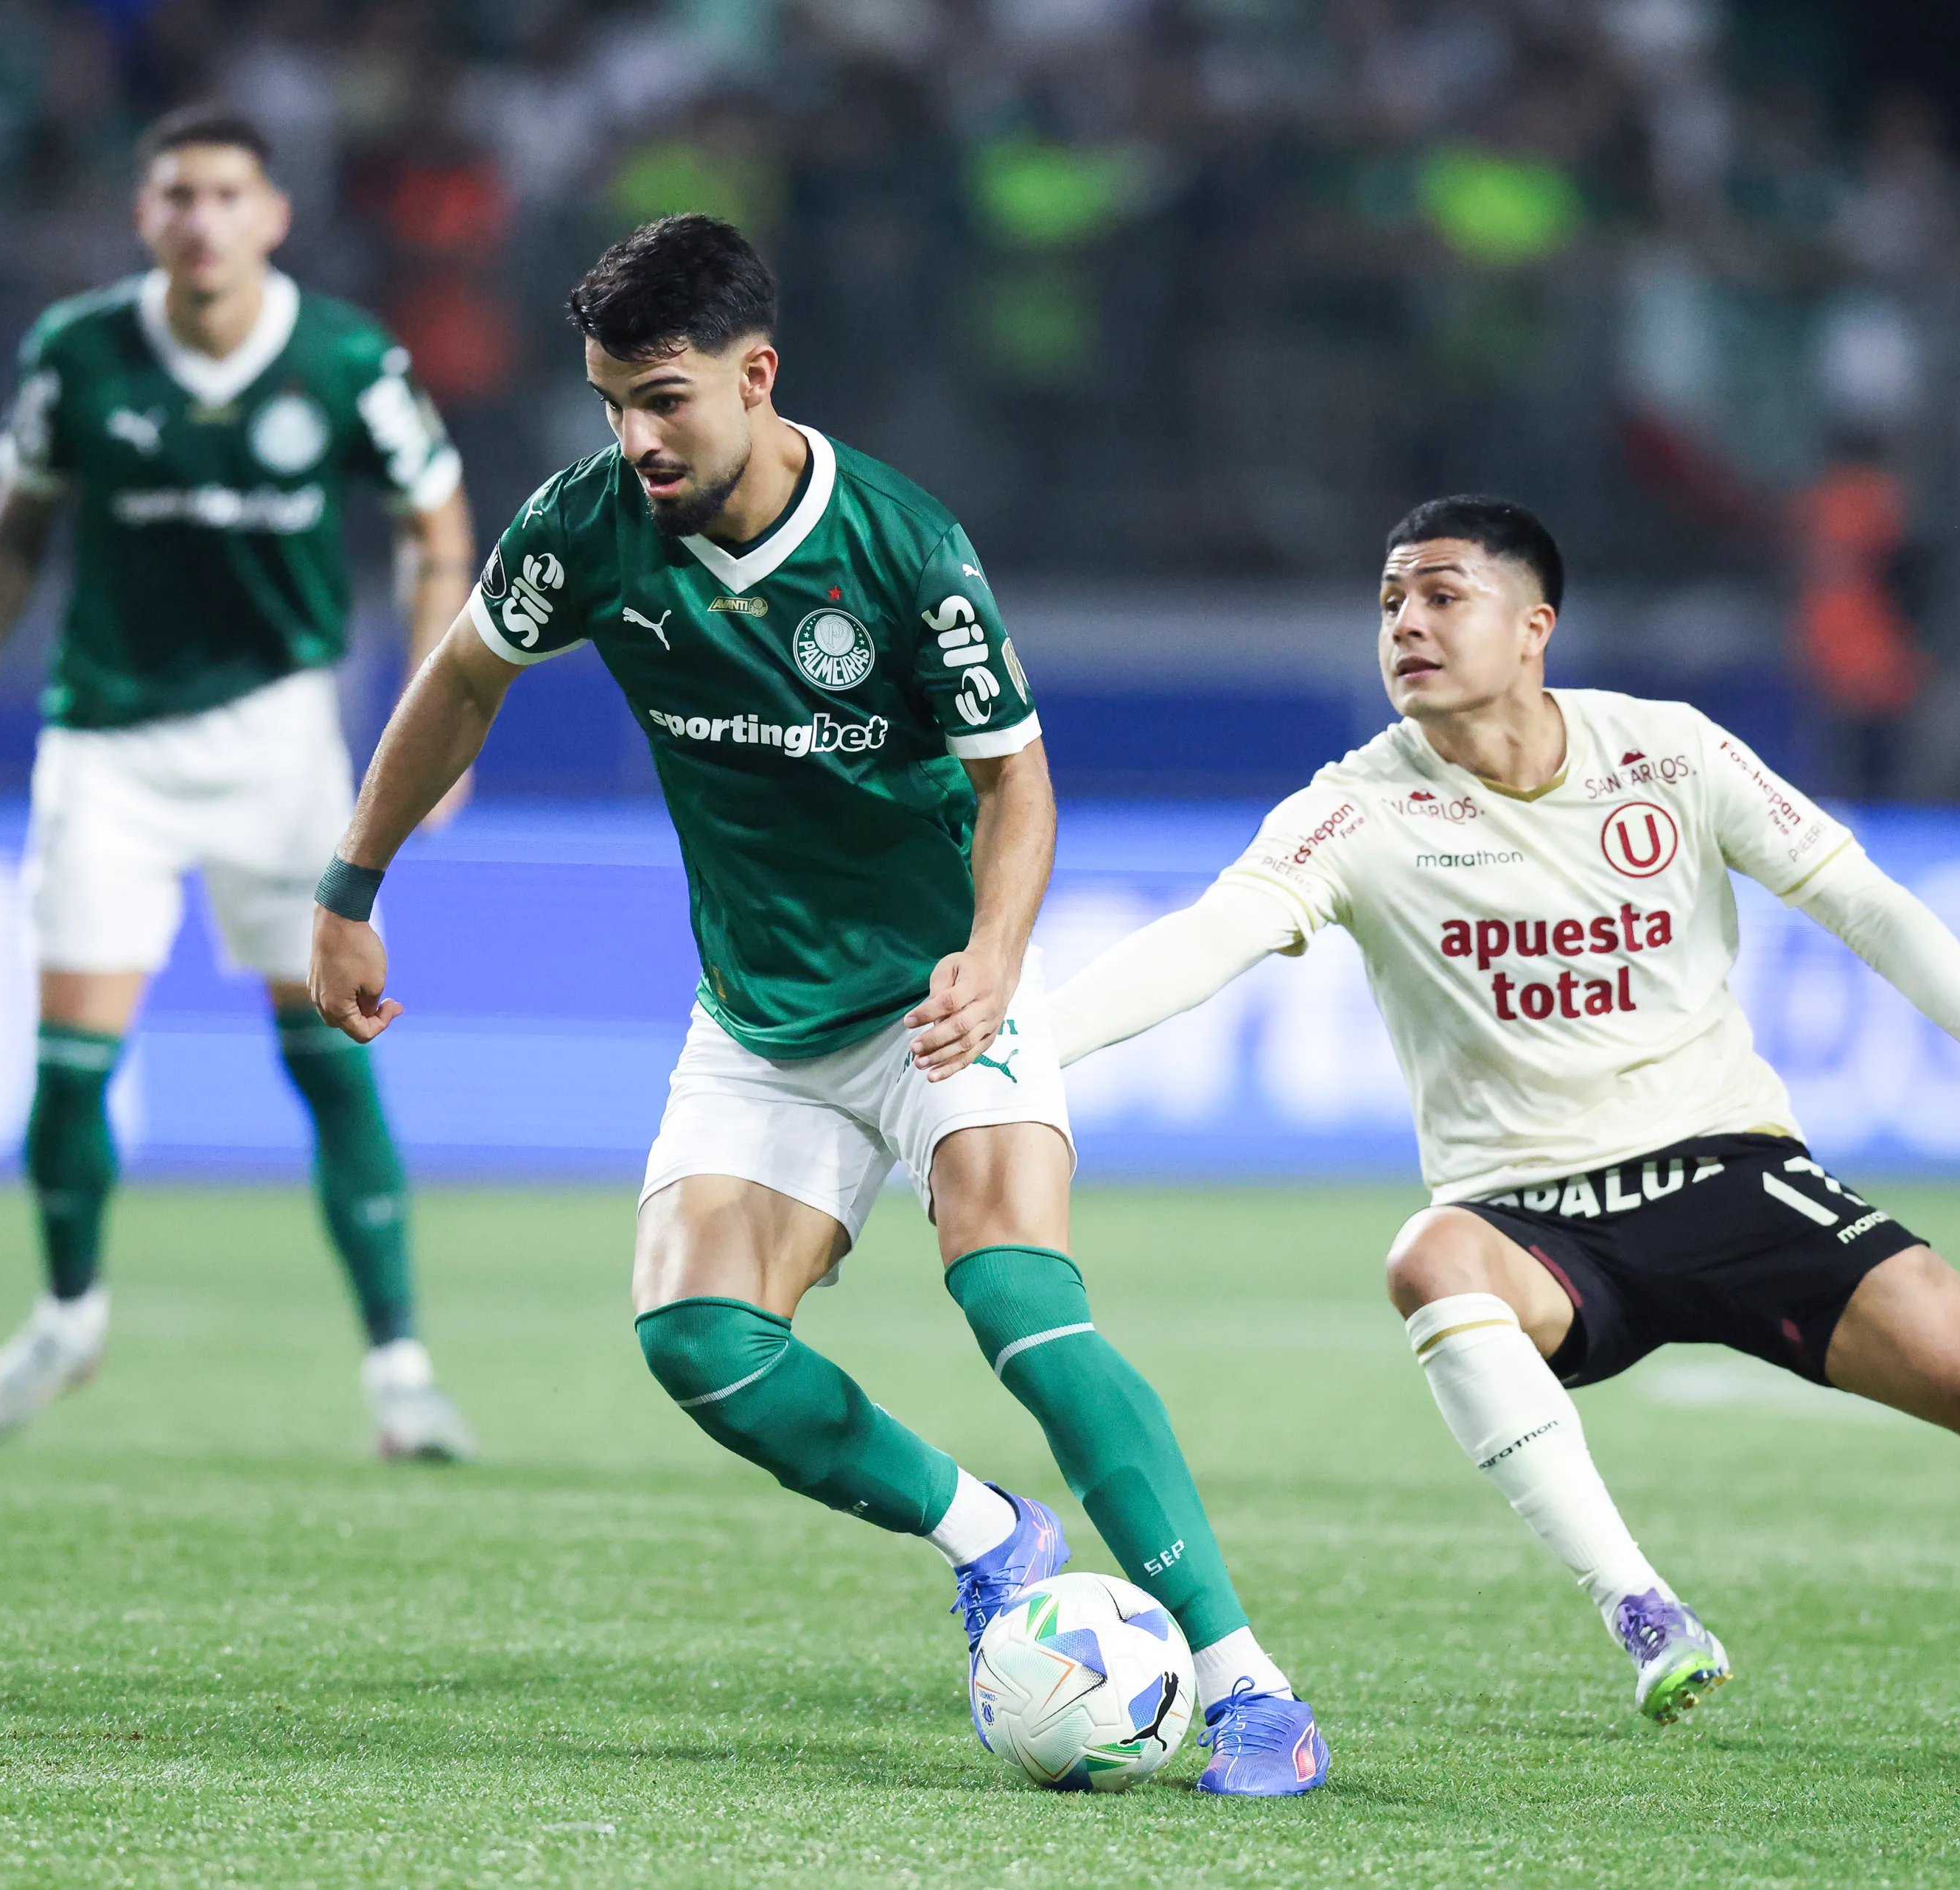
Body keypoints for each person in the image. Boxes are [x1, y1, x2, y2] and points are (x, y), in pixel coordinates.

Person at [1044, 494, 1960, 1751]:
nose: (1406, 624)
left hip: (1733, 1178)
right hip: (1535, 1221)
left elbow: (1858, 896)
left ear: (1534, 625)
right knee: (1428, 1256)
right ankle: (1641, 1609)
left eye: (1441, 597)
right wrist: (1028, 1047)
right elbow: (1203, 941)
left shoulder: (1667, 751)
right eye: (1391, 601)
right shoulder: (1353, 808)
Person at [306, 214, 1329, 1794]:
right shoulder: (585, 526)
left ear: (756, 374)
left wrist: (996, 952)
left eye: (664, 400)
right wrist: (351, 886)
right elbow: (460, 679)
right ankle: (990, 1536)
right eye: (611, 405)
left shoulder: (902, 547)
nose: (636, 441)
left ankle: (1251, 1686)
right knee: (697, 1341)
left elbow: (1018, 781)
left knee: (1017, 1299)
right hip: (761, 1019)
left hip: (936, 995)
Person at [0, 104, 477, 1461]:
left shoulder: (347, 360)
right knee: (71, 1065)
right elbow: (12, 536)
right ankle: (67, 1320)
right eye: (178, 195)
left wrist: (436, 719)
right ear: (144, 215)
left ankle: (401, 1370)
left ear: (272, 216)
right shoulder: (78, 352)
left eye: (228, 195)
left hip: (280, 746)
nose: (203, 219)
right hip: (106, 744)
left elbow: (436, 527)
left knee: (332, 1053)